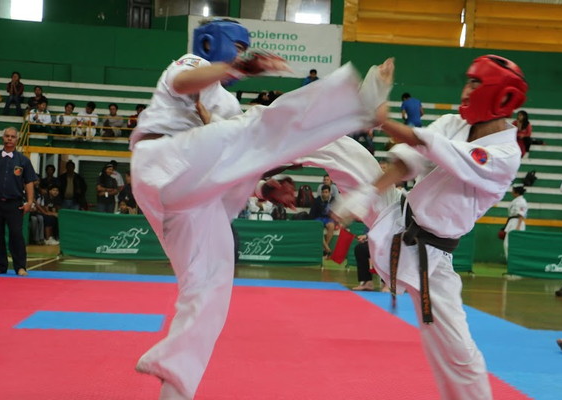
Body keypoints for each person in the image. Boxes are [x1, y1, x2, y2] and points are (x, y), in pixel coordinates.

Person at [130, 18, 394, 400]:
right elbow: (186, 85)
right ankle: (355, 102)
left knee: (210, 286)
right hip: (164, 159)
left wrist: (266, 188)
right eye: (237, 48)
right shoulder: (191, 64)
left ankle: (174, 384)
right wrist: (238, 67)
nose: (241, 55)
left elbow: (233, 158)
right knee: (261, 123)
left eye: (243, 51)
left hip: (188, 195)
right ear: (210, 44)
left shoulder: (227, 104)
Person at [333, 54, 528, 400]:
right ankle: (258, 161)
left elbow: (429, 145)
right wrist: (366, 194)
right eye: (468, 81)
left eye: (476, 83)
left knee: (459, 354)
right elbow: (409, 160)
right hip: (396, 215)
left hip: (433, 259)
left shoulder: (504, 154)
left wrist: (383, 119)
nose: (466, 90)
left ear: (501, 97)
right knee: (340, 148)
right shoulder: (454, 122)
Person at [0, 126, 36, 276]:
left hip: (14, 203)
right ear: (2, 138)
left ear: (17, 139)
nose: (9, 139)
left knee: (16, 234)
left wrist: (29, 202)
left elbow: (29, 182)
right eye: (7, 136)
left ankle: (20, 267)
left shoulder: (23, 160)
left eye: (13, 136)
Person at [309, 184, 336, 255]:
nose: (324, 194)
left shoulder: (333, 200)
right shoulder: (317, 200)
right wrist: (312, 222)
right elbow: (312, 213)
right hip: (318, 218)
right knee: (318, 227)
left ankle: (325, 248)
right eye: (323, 192)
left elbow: (335, 212)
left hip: (328, 219)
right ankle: (327, 248)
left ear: (329, 193)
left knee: (331, 226)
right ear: (321, 193)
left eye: (326, 192)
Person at [503, 185, 527, 259]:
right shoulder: (516, 200)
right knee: (507, 243)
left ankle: (514, 261)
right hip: (512, 221)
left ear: (517, 192)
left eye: (513, 190)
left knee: (510, 243)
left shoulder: (521, 201)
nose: (512, 192)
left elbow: (521, 214)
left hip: (517, 222)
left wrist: (518, 227)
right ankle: (510, 261)